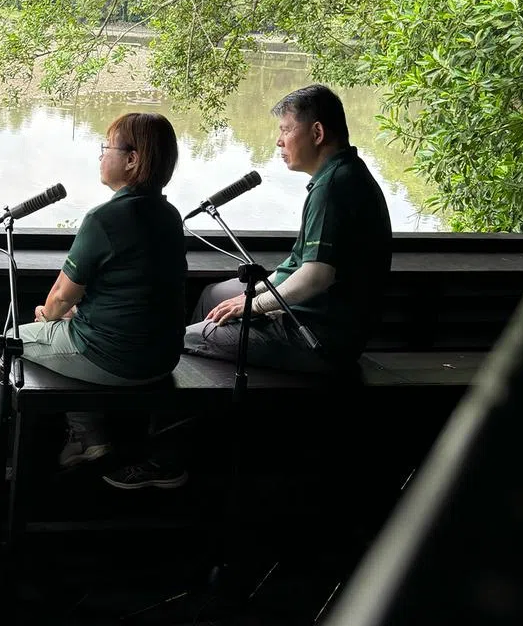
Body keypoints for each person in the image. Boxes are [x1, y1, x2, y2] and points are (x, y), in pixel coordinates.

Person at [103, 84, 393, 490]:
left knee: (178, 343)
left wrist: (251, 307)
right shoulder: (344, 174)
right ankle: (184, 430)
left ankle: (166, 457)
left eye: (286, 129)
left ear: (317, 133)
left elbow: (316, 276)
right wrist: (250, 295)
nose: (278, 141)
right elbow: (297, 266)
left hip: (318, 338)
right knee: (211, 297)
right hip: (329, 321)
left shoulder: (335, 188)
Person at [0, 112, 187, 478]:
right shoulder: (169, 214)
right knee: (65, 332)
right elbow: (131, 290)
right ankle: (87, 438)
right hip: (162, 358)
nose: (100, 155)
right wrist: (67, 317)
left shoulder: (106, 218)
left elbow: (61, 296)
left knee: (11, 342)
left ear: (132, 159)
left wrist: (49, 316)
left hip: (116, 359)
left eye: (106, 147)